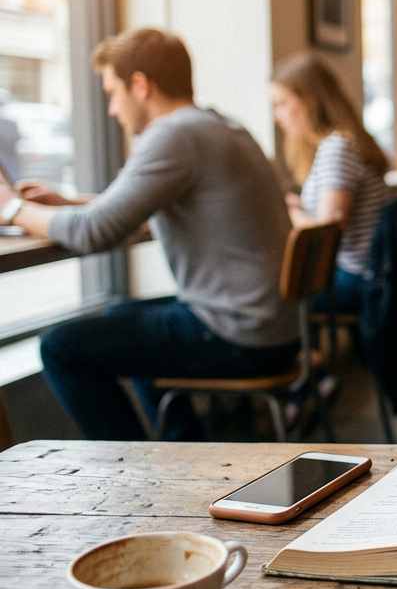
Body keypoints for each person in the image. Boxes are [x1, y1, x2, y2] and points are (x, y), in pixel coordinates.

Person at [0, 28, 298, 440]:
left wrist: (11, 208)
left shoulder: (174, 134)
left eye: (113, 92)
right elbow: (128, 211)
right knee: (119, 315)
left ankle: (134, 470)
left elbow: (94, 233)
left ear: (140, 86)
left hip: (239, 336)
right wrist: (66, 203)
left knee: (60, 347)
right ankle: (181, 445)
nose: (111, 109)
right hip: (274, 328)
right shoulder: (218, 125)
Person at [270, 52, 393, 314]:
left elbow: (328, 233)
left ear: (309, 101)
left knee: (268, 296)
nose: (276, 116)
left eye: (281, 103)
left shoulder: (336, 148)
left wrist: (291, 210)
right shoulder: (337, 145)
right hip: (362, 273)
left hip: (357, 278)